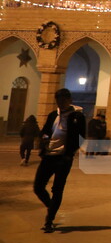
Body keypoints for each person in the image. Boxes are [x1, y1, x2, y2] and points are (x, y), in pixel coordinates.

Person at [34, 89, 86, 232]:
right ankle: (51, 206)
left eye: (63, 100)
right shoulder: (53, 115)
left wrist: (69, 153)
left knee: (57, 189)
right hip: (49, 156)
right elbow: (44, 130)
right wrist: (44, 139)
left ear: (69, 100)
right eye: (58, 100)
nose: (60, 103)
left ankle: (49, 220)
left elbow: (81, 137)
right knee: (38, 187)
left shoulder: (77, 116)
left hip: (63, 158)